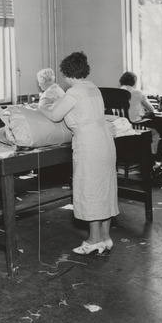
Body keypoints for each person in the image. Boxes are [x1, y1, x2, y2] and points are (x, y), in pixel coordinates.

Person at [39, 52, 119, 255]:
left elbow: (55, 116)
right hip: (105, 141)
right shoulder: (93, 88)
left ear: (67, 74)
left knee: (91, 188)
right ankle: (105, 237)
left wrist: (42, 107)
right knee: (105, 188)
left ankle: (93, 240)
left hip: (89, 143)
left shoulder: (74, 92)